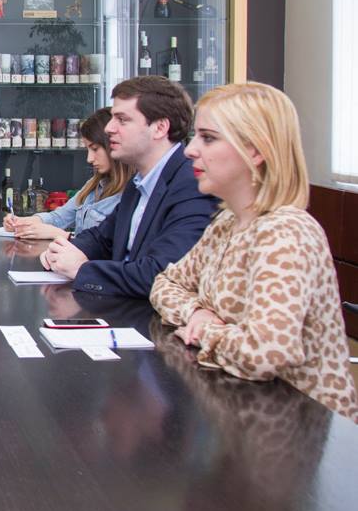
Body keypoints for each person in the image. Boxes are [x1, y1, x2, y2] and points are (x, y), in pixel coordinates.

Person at [150, 82, 358, 422]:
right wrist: (197, 312)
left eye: (208, 138)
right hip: (239, 414)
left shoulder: (286, 233)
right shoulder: (227, 222)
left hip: (297, 428)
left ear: (256, 150)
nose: (190, 150)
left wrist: (203, 331)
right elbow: (165, 284)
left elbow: (266, 353)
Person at [41, 75, 219, 297]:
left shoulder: (192, 186)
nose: (109, 128)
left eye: (122, 120)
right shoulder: (140, 182)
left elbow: (163, 275)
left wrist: (82, 270)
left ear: (160, 128)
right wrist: (63, 250)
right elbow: (103, 239)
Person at [4, 108, 133, 240]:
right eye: (88, 150)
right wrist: (24, 222)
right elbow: (60, 217)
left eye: (95, 149)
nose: (89, 159)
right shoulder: (93, 185)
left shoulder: (131, 195)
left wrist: (61, 235)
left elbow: (105, 247)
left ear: (113, 144)